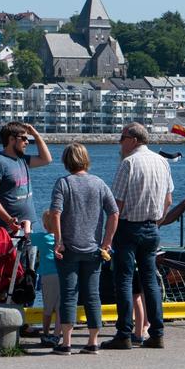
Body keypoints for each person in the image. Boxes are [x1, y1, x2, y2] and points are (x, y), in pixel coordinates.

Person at [102, 122, 174, 351]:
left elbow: (117, 205)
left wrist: (109, 235)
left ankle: (123, 333)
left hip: (128, 227)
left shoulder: (128, 163)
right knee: (150, 281)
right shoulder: (162, 161)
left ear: (133, 139)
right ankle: (157, 333)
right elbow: (169, 200)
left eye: (122, 138)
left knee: (123, 281)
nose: (119, 143)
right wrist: (157, 222)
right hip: (152, 227)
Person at [48, 143, 118, 355]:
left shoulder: (63, 183)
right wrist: (107, 241)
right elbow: (114, 213)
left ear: (66, 161)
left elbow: (55, 213)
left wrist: (58, 240)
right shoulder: (99, 183)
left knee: (69, 295)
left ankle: (66, 342)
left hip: (69, 248)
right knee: (92, 295)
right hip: (93, 249)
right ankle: (92, 341)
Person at [0, 122, 52, 234]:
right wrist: (9, 220)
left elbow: (46, 159)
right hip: (10, 230)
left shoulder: (22, 159)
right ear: (11, 139)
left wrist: (36, 135)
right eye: (24, 138)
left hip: (28, 227)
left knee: (31, 251)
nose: (27, 142)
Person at [30, 227, 59, 346]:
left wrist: (27, 223)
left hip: (47, 275)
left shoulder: (43, 237)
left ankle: (46, 333)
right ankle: (57, 335)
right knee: (59, 308)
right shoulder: (61, 239)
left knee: (47, 307)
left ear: (45, 225)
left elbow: (28, 235)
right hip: (62, 274)